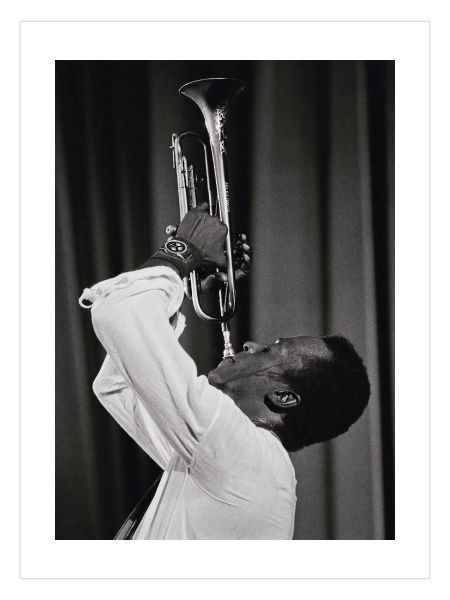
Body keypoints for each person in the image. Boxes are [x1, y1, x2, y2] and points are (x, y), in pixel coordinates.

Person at [79, 204, 371, 540]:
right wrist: (183, 287)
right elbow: (119, 386)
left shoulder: (249, 459)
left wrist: (181, 253)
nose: (251, 344)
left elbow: (120, 312)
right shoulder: (229, 457)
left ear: (283, 396)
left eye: (270, 349)